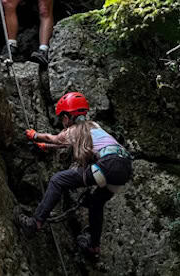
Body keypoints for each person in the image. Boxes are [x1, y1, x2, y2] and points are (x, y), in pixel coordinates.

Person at [17, 92, 134, 261]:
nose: (62, 123)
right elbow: (67, 143)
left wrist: (35, 136)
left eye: (62, 118)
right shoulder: (92, 126)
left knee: (58, 180)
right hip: (124, 167)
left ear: (68, 116)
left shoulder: (74, 129)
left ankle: (34, 223)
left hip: (107, 164)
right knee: (96, 203)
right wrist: (45, 146)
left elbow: (56, 139)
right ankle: (93, 246)